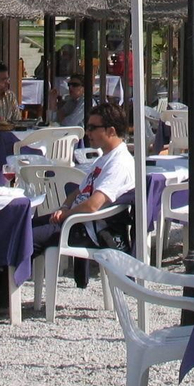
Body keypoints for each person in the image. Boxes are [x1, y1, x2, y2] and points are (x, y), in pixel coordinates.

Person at [31, 102, 134, 272]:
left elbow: (93, 205)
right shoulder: (104, 158)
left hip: (85, 227)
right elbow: (79, 191)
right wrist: (64, 207)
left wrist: (66, 215)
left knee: (26, 239)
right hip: (74, 220)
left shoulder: (119, 163)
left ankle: (1, 289)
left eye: (93, 128)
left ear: (111, 131)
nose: (88, 132)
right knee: (23, 228)